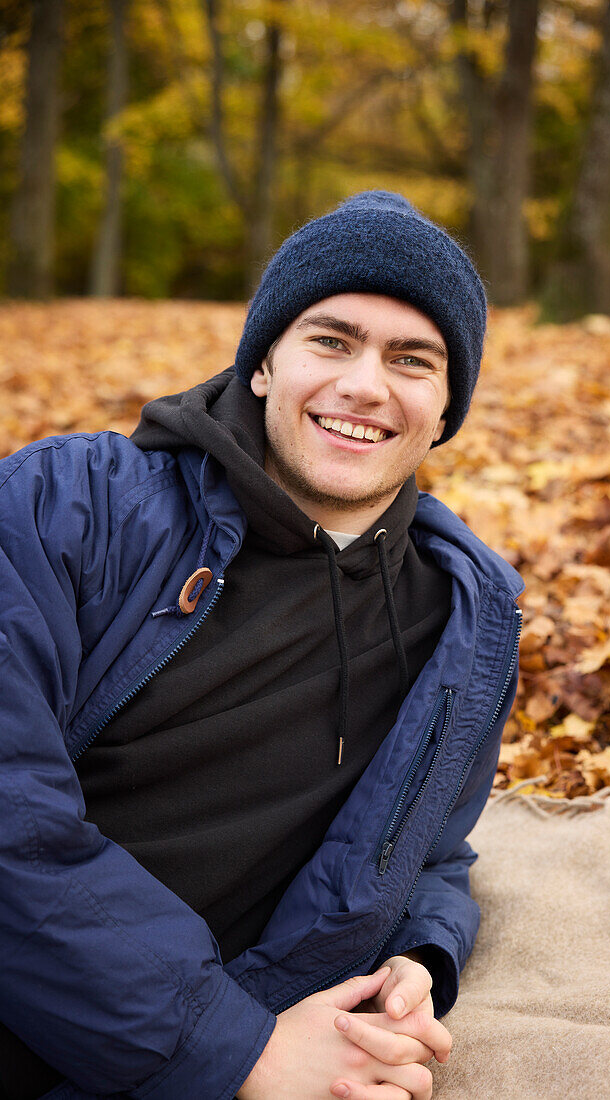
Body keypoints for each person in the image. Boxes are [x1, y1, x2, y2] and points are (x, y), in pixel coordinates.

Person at [0, 191, 523, 1100]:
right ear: (261, 368)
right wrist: (238, 1049)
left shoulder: (462, 615)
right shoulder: (66, 507)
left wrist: (418, 959)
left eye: (413, 360)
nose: (366, 385)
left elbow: (434, 847)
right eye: (331, 340)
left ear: (445, 410)